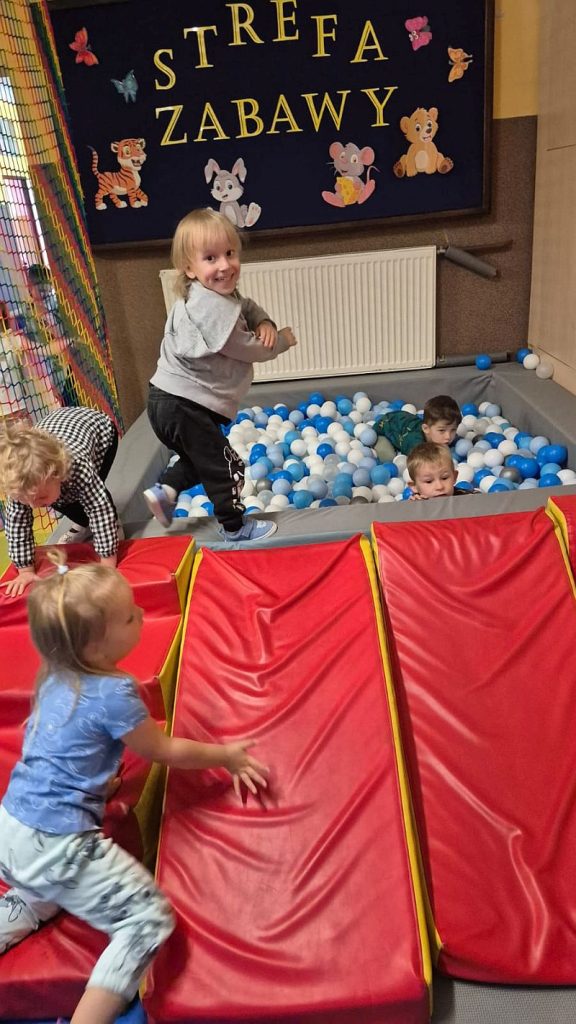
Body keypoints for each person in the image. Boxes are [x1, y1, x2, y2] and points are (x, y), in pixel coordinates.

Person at [0, 551, 268, 1024]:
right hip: (57, 845)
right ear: (96, 646)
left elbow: (55, 751)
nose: (141, 614)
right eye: (129, 617)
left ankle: (20, 908)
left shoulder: (53, 676)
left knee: (33, 897)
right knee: (146, 920)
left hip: (11, 829)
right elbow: (164, 750)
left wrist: (98, 790)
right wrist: (227, 756)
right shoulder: (114, 692)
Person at [143, 207, 298, 543]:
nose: (225, 265)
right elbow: (252, 349)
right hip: (185, 404)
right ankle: (235, 527)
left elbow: (245, 305)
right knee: (227, 466)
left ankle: (165, 491)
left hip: (163, 401)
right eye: (211, 258)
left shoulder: (204, 293)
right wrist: (282, 339)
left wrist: (264, 321)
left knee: (202, 459)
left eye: (230, 253)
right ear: (189, 267)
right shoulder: (212, 311)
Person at [0, 406, 121, 597]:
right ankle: (84, 523)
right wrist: (25, 570)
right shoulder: (21, 484)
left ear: (58, 473)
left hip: (101, 432)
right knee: (55, 498)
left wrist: (107, 561)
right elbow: (17, 524)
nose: (33, 506)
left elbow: (99, 507)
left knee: (84, 495)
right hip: (58, 429)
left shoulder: (77, 466)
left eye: (39, 497)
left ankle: (110, 527)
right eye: (26, 500)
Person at [374, 394, 462, 461]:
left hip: (402, 421)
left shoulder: (440, 435)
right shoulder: (415, 442)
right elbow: (418, 462)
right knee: (388, 457)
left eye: (453, 430)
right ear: (426, 429)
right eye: (442, 430)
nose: (448, 436)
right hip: (384, 428)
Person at [406, 441, 471, 499]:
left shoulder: (466, 498)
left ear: (454, 477)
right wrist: (417, 505)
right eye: (429, 481)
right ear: (414, 486)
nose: (439, 487)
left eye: (444, 478)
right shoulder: (415, 504)